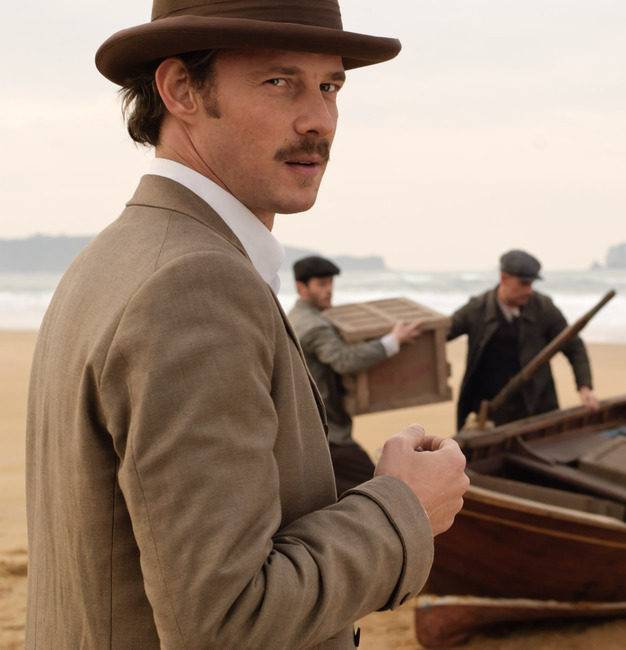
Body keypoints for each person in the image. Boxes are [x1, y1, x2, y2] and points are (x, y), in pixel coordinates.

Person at [25, 2, 468, 648]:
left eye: (330, 85)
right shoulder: (191, 284)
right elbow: (227, 619)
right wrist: (403, 507)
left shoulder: (112, 257)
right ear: (180, 90)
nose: (319, 119)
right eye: (278, 81)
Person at [289, 255, 423, 493]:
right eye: (321, 284)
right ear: (302, 287)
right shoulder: (314, 326)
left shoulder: (297, 317)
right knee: (380, 490)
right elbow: (344, 360)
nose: (329, 290)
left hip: (308, 430)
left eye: (330, 283)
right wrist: (393, 341)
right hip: (328, 435)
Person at [449, 249, 599, 430]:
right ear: (504, 278)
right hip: (490, 411)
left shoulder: (543, 308)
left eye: (532, 284)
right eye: (523, 283)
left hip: (537, 406)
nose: (529, 291)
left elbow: (574, 346)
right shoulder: (476, 309)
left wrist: (585, 387)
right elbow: (443, 333)